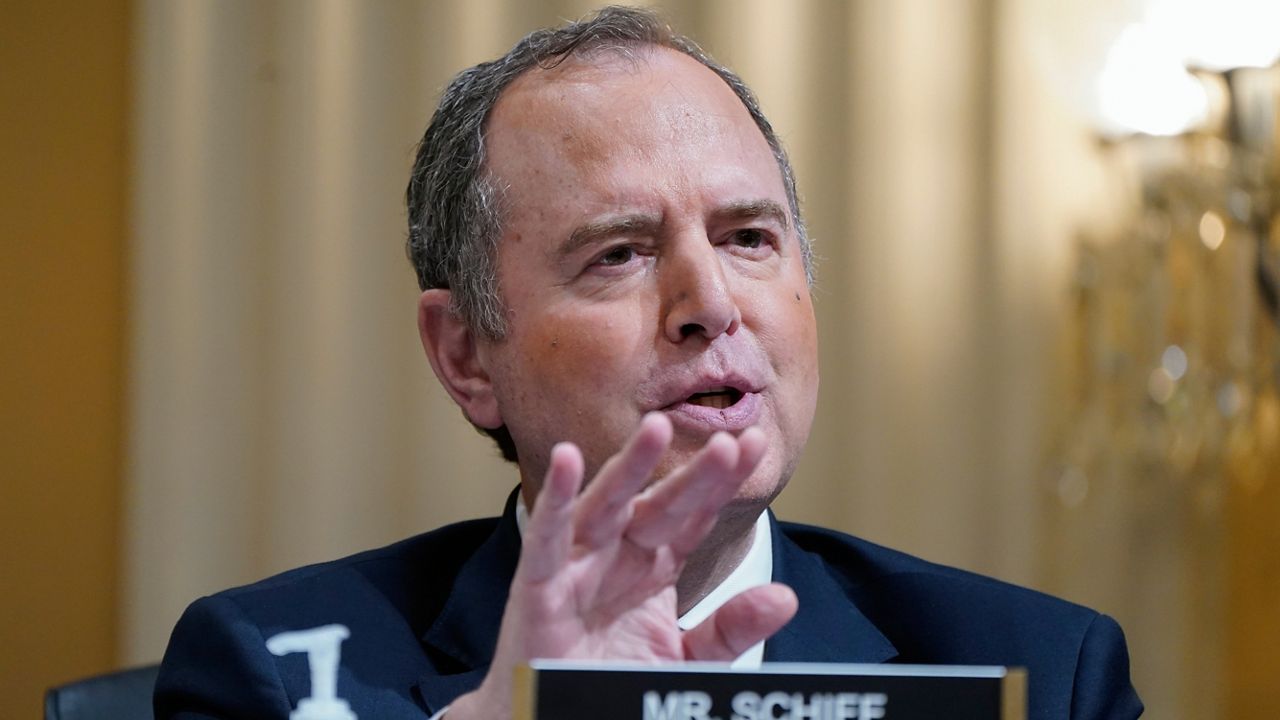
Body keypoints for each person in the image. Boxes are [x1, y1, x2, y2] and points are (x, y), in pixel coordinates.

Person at [154, 6, 1143, 719]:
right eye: (619, 253)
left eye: (748, 237)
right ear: (465, 354)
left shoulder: (1039, 676)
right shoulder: (278, 677)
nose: (709, 303)